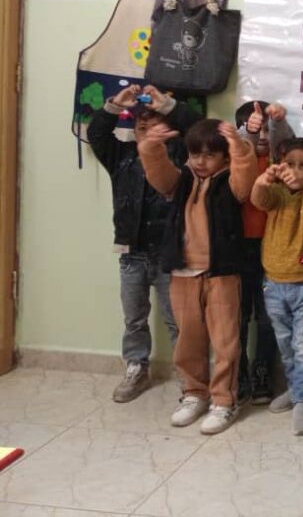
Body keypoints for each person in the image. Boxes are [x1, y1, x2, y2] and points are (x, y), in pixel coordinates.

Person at [139, 118, 258, 434]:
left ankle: (224, 401)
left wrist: (238, 146)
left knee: (226, 342)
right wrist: (151, 146)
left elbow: (245, 179)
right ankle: (194, 394)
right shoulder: (181, 181)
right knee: (188, 340)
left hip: (222, 273)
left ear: (224, 158)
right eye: (195, 154)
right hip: (183, 273)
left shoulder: (230, 183)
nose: (200, 162)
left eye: (209, 155)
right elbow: (158, 174)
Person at [87, 84, 200, 403]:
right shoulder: (121, 156)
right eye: (140, 125)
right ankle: (136, 367)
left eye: (154, 123)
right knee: (134, 319)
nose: (146, 129)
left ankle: (189, 377)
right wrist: (115, 105)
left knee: (177, 320)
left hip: (170, 253)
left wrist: (167, 106)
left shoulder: (181, 155)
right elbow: (97, 134)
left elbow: (199, 129)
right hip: (131, 252)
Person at [249, 138, 303, 435]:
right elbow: (258, 199)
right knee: (285, 345)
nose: (295, 170)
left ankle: (302, 401)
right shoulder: (276, 194)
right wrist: (262, 180)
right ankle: (298, 390)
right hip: (273, 282)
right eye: (290, 164)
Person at [234, 100, 294, 405]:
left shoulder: (278, 163)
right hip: (237, 248)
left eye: (266, 130)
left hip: (272, 248)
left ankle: (263, 371)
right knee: (238, 315)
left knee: (269, 316)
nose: (262, 135)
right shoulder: (236, 160)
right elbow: (239, 148)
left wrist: (278, 123)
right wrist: (247, 132)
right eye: (255, 129)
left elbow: (287, 144)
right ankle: (238, 373)